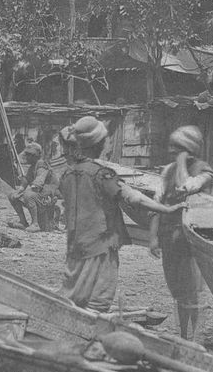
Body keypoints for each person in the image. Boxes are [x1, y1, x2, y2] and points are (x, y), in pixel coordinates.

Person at [57, 115, 180, 313]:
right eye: (105, 140)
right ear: (99, 144)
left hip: (75, 245)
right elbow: (134, 199)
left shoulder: (66, 174)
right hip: (101, 245)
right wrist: (167, 209)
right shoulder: (103, 174)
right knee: (98, 301)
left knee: (74, 294)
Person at [147, 125, 213, 339]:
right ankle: (183, 334)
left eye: (177, 148)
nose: (171, 151)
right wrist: (152, 238)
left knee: (193, 291)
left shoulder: (205, 172)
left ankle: (196, 337)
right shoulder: (167, 171)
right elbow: (157, 203)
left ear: (188, 148)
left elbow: (186, 186)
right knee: (177, 290)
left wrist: (181, 163)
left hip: (192, 241)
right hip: (170, 238)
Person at [8, 141, 57, 230]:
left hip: (46, 195)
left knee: (28, 195)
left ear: (34, 156)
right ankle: (23, 222)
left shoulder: (41, 164)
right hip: (39, 193)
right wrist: (19, 191)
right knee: (12, 195)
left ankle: (35, 224)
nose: (26, 157)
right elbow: (26, 180)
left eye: (28, 155)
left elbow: (39, 182)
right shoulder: (33, 166)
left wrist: (27, 191)